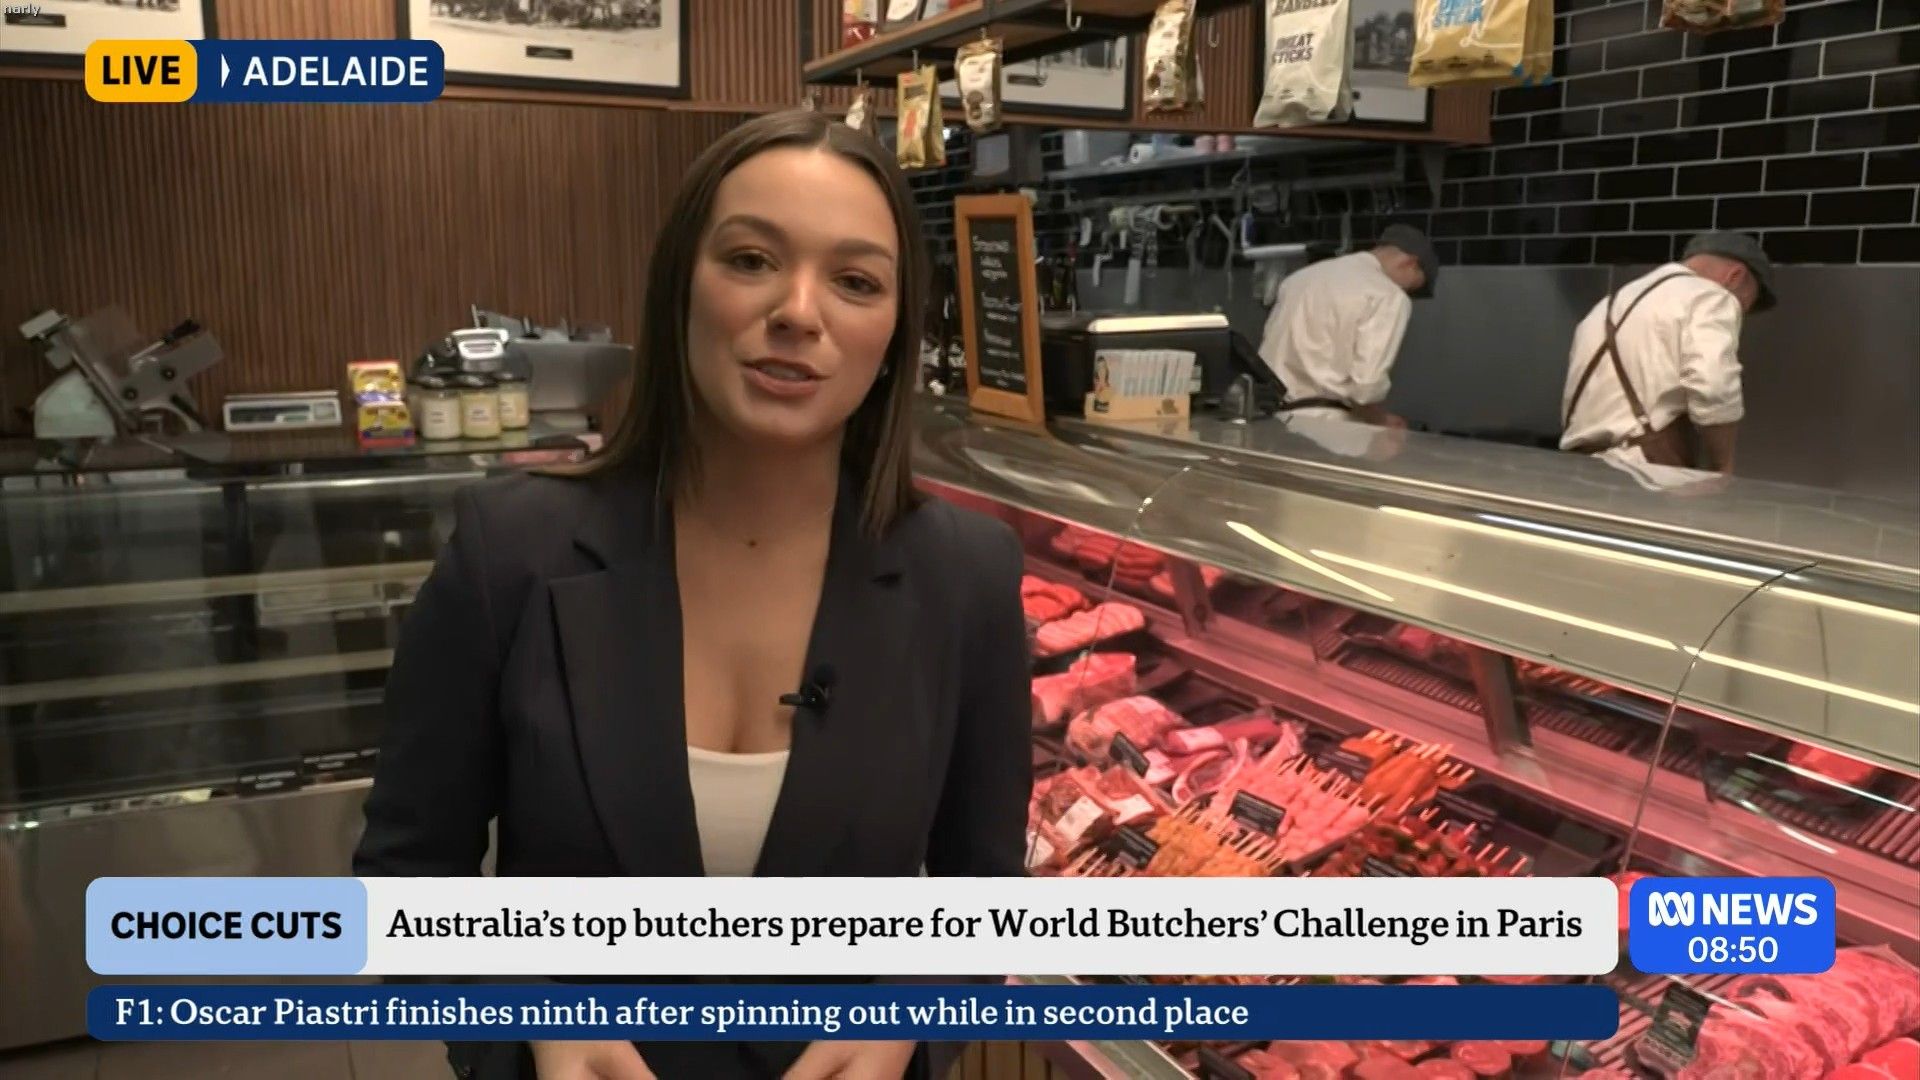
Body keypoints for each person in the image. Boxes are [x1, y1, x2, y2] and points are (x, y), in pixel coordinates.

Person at [352, 110, 1033, 1080]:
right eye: (751, 260)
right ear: (679, 285)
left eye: (855, 281)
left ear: (894, 334)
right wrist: (528, 1016)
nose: (799, 311)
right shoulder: (511, 552)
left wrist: (907, 1020)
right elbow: (406, 879)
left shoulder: (967, 577)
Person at [1560, 231, 1776, 474]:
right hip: (1645, 475)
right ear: (1735, 276)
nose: (1741, 313)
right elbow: (1715, 386)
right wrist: (1722, 465)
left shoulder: (1609, 303)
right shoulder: (1710, 295)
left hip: (1580, 468)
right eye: (1745, 304)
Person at [1256, 223, 1439, 430]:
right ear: (1410, 263)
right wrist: (1383, 421)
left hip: (1269, 420)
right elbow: (1365, 388)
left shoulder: (1299, 279)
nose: (1406, 292)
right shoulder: (1387, 295)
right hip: (1329, 428)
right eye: (1413, 286)